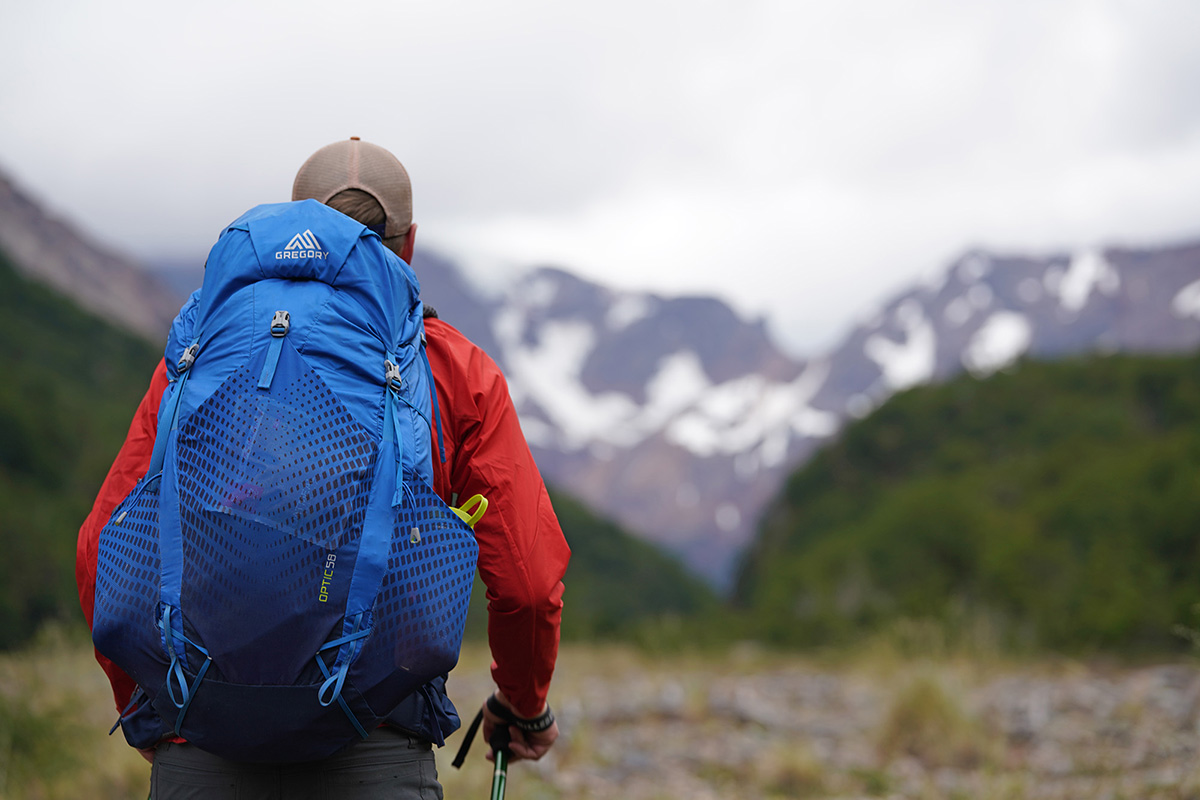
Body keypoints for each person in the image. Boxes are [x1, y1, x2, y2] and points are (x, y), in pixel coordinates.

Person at [76, 137, 570, 798]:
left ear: (294, 227)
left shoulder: (197, 355)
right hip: (375, 739)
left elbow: (100, 549)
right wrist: (522, 705)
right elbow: (529, 584)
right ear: (410, 242)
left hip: (202, 739)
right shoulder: (454, 370)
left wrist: (154, 710)